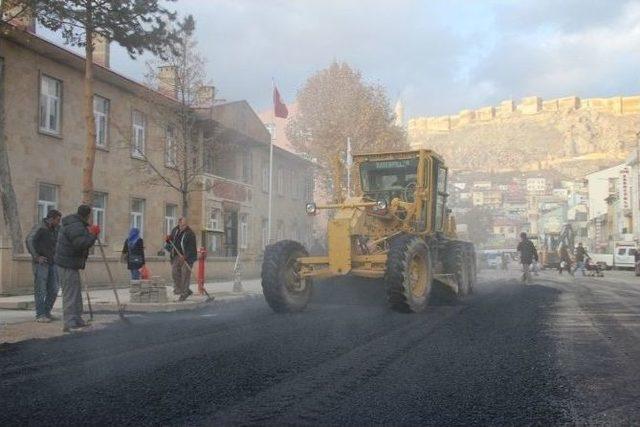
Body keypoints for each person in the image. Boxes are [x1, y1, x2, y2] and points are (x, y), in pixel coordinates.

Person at [54, 205, 100, 332]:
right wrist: (93, 235)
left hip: (70, 263)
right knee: (70, 292)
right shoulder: (75, 225)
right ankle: (69, 321)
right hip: (66, 263)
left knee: (76, 292)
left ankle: (77, 319)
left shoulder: (77, 224)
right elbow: (81, 243)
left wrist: (90, 233)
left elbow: (81, 240)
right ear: (88, 215)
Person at [31, 209, 62, 323]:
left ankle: (47, 312)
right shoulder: (40, 227)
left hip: (53, 263)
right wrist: (36, 256)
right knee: (41, 289)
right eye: (58, 220)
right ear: (51, 218)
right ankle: (40, 315)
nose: (59, 222)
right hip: (41, 263)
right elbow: (29, 240)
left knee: (54, 289)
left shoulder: (56, 230)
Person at [165, 217, 197, 301]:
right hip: (176, 256)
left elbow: (192, 248)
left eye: (182, 225)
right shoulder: (175, 230)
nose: (181, 226)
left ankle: (184, 293)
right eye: (179, 224)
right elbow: (171, 240)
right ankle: (185, 289)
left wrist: (185, 256)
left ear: (186, 224)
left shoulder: (190, 234)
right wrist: (168, 239)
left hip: (188, 257)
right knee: (174, 272)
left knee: (185, 274)